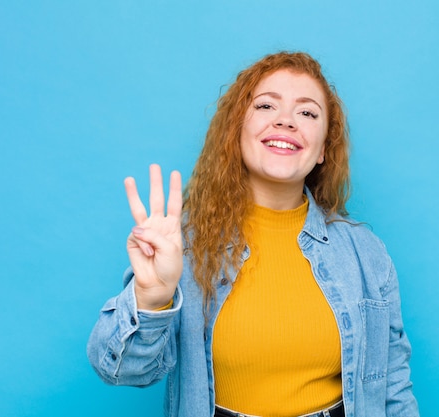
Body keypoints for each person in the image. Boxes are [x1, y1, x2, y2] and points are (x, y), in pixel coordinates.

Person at [87, 51, 419, 417]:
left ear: (323, 148)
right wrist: (152, 298)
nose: (286, 121)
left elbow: (393, 388)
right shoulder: (183, 248)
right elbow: (119, 370)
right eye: (265, 106)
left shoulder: (365, 253)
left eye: (307, 113)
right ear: (237, 130)